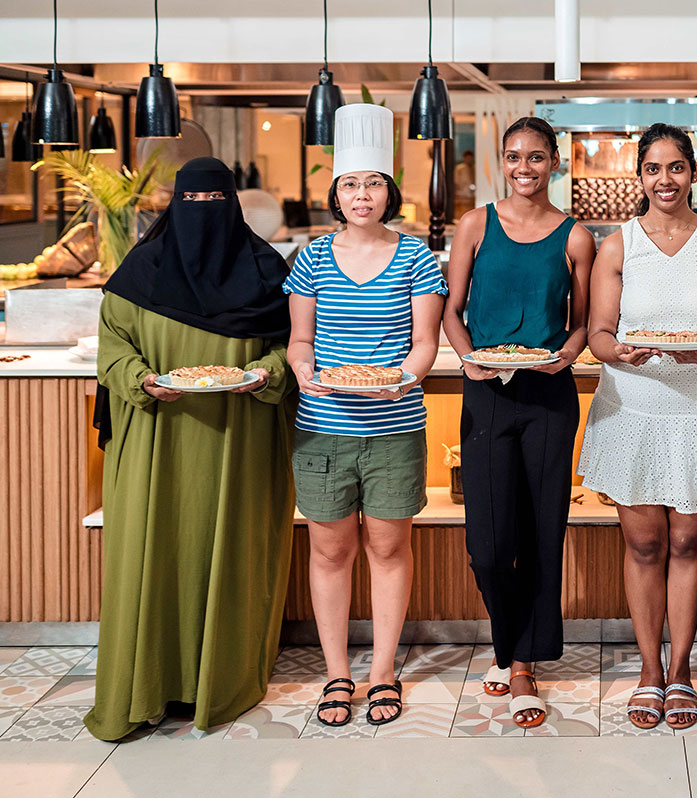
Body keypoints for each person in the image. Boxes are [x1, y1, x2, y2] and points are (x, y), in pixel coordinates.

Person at [85, 157, 295, 741]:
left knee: (230, 549)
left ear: (234, 205)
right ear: (174, 204)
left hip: (240, 442)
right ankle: (146, 685)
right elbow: (114, 348)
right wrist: (142, 381)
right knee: (155, 551)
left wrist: (264, 374)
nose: (203, 215)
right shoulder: (137, 274)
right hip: (157, 441)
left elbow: (293, 345)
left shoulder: (265, 271)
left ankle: (218, 682)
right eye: (192, 202)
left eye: (215, 203)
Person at [578, 123, 697, 730]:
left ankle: (682, 674)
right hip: (634, 409)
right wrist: (615, 352)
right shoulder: (618, 246)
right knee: (644, 544)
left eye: (676, 168)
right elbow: (599, 331)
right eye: (653, 169)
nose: (665, 180)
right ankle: (649, 672)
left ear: (694, 175)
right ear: (641, 177)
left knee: (687, 543)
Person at [284, 104, 446, 727]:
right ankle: (335, 674)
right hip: (323, 427)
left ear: (389, 192)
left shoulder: (416, 257)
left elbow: (425, 345)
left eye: (373, 184)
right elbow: (301, 342)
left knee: (388, 548)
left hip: (394, 426)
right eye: (350, 184)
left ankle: (381, 673)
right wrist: (305, 373)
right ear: (336, 192)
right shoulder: (313, 258)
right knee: (329, 552)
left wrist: (401, 380)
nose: (362, 195)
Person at [443, 116, 595, 729]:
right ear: (500, 163)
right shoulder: (475, 225)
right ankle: (509, 641)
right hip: (486, 395)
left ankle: (522, 663)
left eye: (536, 157)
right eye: (513, 157)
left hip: (549, 396)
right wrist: (467, 359)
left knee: (540, 534)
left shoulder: (575, 236)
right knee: (487, 545)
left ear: (555, 162)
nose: (524, 168)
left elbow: (581, 321)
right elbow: (453, 311)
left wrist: (568, 353)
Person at [454, 150, 477, 220]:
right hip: (462, 195)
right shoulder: (459, 169)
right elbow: (456, 182)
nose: (469, 160)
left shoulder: (476, 168)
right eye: (467, 158)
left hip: (474, 196)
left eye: (470, 158)